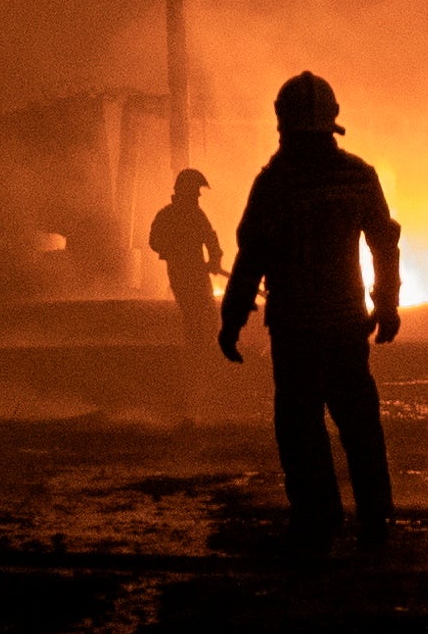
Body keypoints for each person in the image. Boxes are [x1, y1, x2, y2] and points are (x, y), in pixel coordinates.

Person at [218, 71, 401, 552]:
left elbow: (250, 257)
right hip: (345, 325)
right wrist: (386, 307)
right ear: (332, 122)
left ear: (284, 124)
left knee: (301, 427)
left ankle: (319, 521)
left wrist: (232, 320)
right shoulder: (358, 175)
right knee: (360, 422)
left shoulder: (274, 183)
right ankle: (376, 518)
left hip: (297, 331)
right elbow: (384, 242)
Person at [148, 168, 225, 348]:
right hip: (181, 273)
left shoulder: (195, 214)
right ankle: (197, 353)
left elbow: (211, 239)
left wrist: (214, 261)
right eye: (196, 191)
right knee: (193, 312)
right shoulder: (168, 216)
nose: (198, 195)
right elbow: (154, 241)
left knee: (207, 313)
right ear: (186, 190)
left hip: (196, 272)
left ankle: (203, 351)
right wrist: (173, 252)